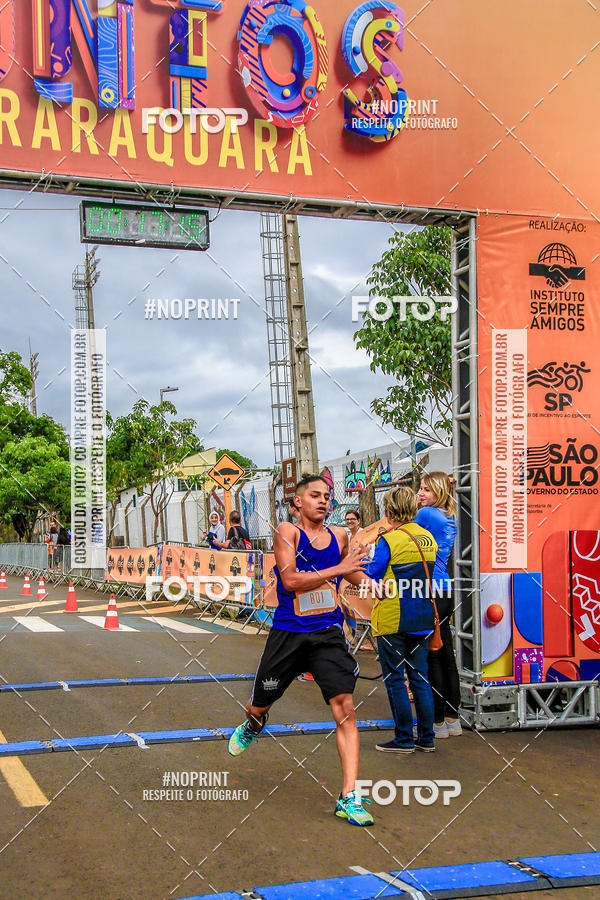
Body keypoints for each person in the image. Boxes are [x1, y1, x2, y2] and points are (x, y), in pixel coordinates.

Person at [228, 473, 375, 826]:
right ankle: (255, 722)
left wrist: (371, 582)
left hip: (326, 634)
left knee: (345, 708)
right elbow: (290, 579)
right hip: (289, 636)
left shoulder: (340, 535)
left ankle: (348, 796)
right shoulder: (287, 532)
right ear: (298, 502)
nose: (323, 501)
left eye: (327, 496)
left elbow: (351, 575)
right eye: (314, 495)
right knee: (257, 705)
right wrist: (340, 567)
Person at [364, 486, 438, 753]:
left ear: (388, 510)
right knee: (420, 677)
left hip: (393, 616)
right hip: (423, 616)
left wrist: (363, 559)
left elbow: (371, 575)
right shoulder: (428, 538)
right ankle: (427, 738)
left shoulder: (389, 540)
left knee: (395, 679)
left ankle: (404, 739)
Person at [416, 472, 461, 738]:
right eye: (420, 489)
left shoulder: (426, 515)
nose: (420, 494)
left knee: (432, 654)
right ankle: (452, 718)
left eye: (426, 490)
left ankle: (436, 721)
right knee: (446, 653)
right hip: (445, 589)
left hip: (431, 589)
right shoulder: (448, 516)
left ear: (439, 492)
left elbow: (402, 529)